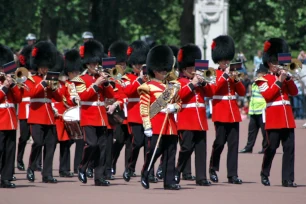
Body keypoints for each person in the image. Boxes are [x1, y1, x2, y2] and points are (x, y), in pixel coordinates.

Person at [138, 45, 181, 190]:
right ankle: (145, 172)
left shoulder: (172, 87)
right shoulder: (147, 87)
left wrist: (174, 107)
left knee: (170, 153)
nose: (164, 72)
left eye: (165, 70)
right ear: (154, 70)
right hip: (156, 123)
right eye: (161, 70)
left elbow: (179, 103)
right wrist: (147, 125)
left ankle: (169, 181)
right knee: (155, 151)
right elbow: (144, 108)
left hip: (170, 124)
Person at [256, 38, 298, 187]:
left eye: (278, 61)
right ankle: (264, 173)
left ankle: (287, 179)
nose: (277, 65)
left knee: (289, 149)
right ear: (269, 63)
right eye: (274, 62)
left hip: (287, 118)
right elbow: (268, 96)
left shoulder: (285, 77)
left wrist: (288, 80)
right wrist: (279, 81)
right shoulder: (263, 79)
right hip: (274, 118)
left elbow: (294, 92)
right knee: (271, 148)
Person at [75, 40, 115, 186]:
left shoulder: (100, 78)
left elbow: (111, 96)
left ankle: (99, 177)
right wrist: (96, 84)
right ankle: (82, 167)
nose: (95, 66)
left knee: (102, 148)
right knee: (91, 144)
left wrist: (106, 82)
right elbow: (84, 97)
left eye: (96, 63)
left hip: (101, 117)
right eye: (92, 64)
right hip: (88, 115)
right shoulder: (80, 79)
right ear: (87, 64)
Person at [174, 44, 214, 186]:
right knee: (186, 148)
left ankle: (201, 177)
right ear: (184, 69)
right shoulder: (180, 82)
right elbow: (179, 95)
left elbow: (211, 93)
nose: (193, 70)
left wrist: (203, 84)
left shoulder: (200, 81)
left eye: (194, 68)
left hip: (200, 121)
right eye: (190, 68)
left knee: (201, 148)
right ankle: (177, 172)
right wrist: (192, 84)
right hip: (186, 120)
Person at [209, 35, 245, 184]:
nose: (226, 62)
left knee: (234, 144)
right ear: (218, 60)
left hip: (233, 113)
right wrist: (224, 75)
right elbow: (213, 90)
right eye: (224, 60)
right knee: (219, 142)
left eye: (227, 60)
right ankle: (212, 167)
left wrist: (235, 78)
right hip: (220, 111)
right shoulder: (212, 73)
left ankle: (232, 174)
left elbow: (242, 92)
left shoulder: (233, 74)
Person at [122, 41, 158, 183]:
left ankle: (149, 172)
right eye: (137, 65)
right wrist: (138, 80)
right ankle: (130, 168)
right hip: (135, 115)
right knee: (137, 143)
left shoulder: (151, 78)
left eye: (142, 64)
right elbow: (128, 92)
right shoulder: (128, 78)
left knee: (149, 145)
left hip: (149, 114)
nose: (140, 67)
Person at [26, 41, 62, 183]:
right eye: (43, 67)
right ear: (38, 66)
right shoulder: (32, 79)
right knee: (38, 143)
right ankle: (31, 166)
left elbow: (58, 98)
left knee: (51, 145)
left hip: (49, 117)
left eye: (47, 66)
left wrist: (54, 88)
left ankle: (47, 174)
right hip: (36, 116)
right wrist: (43, 83)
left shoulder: (51, 80)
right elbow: (32, 93)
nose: (45, 69)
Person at [0, 44, 23, 188]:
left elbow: (18, 99)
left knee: (9, 151)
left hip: (10, 120)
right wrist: (4, 88)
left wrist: (13, 85)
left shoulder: (9, 80)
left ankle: (6, 178)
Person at [16, 45, 42, 171]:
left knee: (38, 138)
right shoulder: (22, 74)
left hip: (36, 108)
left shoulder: (39, 77)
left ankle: (36, 162)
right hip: (24, 108)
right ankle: (19, 159)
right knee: (24, 137)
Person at [108, 41, 132, 176]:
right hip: (118, 114)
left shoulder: (127, 78)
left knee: (129, 142)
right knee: (119, 141)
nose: (123, 66)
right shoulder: (112, 78)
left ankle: (128, 169)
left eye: (124, 64)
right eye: (120, 64)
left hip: (129, 114)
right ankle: (111, 164)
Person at [239, 64, 268, 154]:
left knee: (264, 131)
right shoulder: (255, 83)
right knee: (251, 131)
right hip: (254, 110)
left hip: (262, 110)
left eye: (259, 73)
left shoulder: (266, 82)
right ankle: (249, 147)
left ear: (264, 73)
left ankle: (265, 148)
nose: (257, 74)